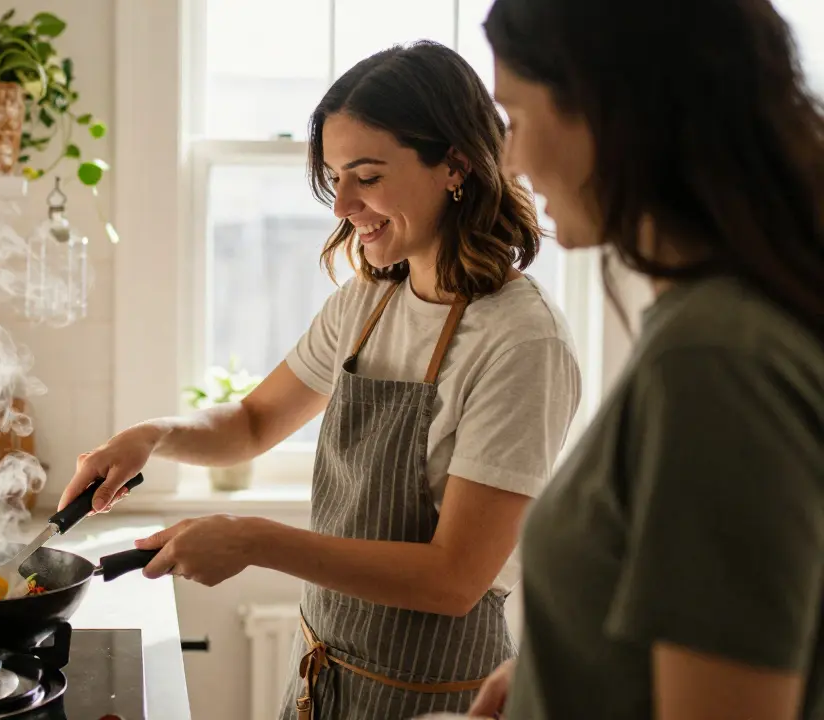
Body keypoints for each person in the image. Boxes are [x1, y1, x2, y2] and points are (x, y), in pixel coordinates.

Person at [58, 42, 582, 718]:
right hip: (324, 680)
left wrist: (251, 540)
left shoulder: (520, 341)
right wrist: (150, 436)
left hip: (436, 700)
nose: (342, 204)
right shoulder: (369, 301)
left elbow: (455, 578)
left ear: (455, 163)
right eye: (335, 176)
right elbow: (251, 423)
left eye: (365, 175)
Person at [466, 1, 824, 719]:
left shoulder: (716, 362)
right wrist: (552, 678)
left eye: (516, 117)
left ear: (607, 111)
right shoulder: (710, 330)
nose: (508, 159)